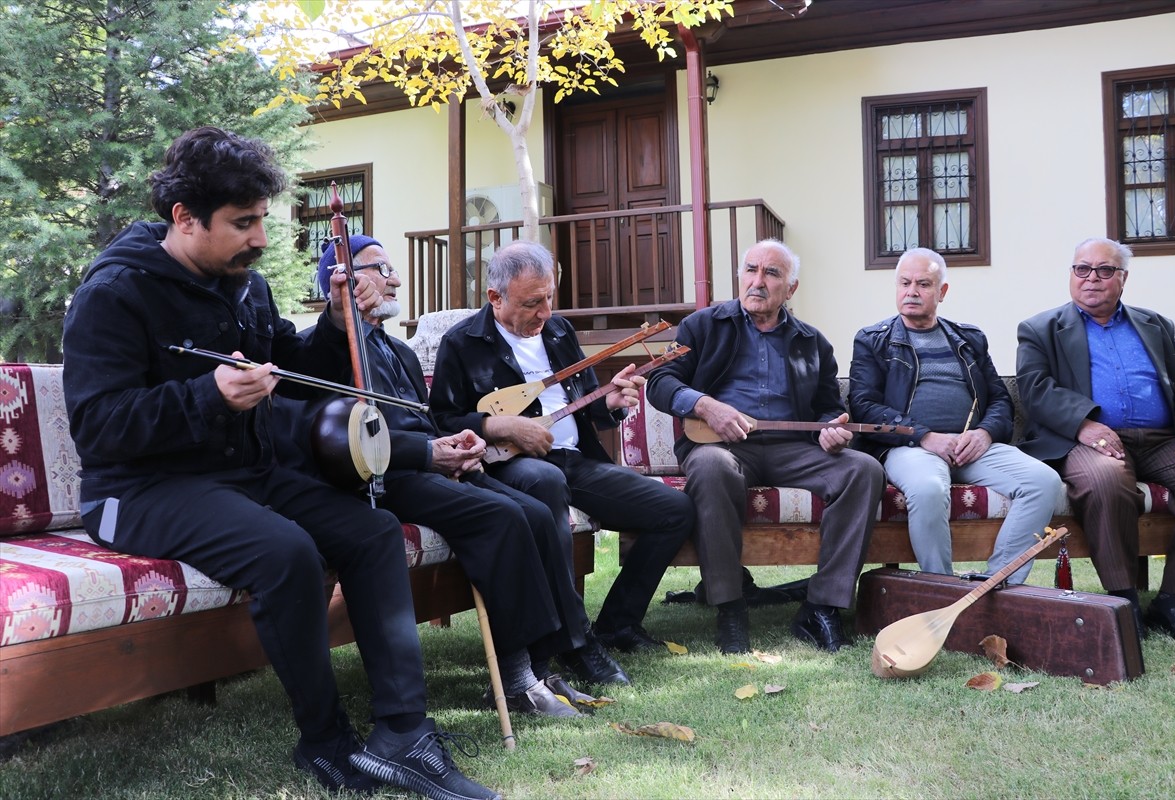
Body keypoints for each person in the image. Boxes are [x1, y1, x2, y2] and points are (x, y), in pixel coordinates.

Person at [61, 127, 498, 798]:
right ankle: (326, 742)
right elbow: (98, 427)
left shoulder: (245, 284)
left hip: (243, 475)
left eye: (262, 218)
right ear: (184, 217)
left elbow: (288, 375)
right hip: (139, 489)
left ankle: (403, 735)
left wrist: (333, 326)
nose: (261, 237)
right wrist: (206, 395)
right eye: (244, 222)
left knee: (372, 531)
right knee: (286, 552)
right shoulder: (114, 294)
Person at [273, 233, 624, 712]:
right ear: (343, 284)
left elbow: (431, 420)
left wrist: (463, 443)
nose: (395, 278)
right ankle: (517, 682)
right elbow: (352, 436)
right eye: (381, 269)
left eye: (392, 267)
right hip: (388, 478)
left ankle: (542, 668)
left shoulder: (398, 352)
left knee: (539, 513)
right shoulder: (331, 349)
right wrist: (428, 452)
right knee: (502, 517)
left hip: (435, 466)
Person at [428, 240, 695, 659]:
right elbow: (441, 420)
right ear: (495, 298)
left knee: (674, 510)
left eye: (549, 297)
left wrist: (611, 402)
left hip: (575, 459)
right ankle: (575, 642)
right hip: (510, 467)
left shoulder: (558, 331)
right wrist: (504, 425)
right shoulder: (463, 343)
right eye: (533, 303)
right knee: (546, 479)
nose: (546, 313)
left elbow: (588, 402)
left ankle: (618, 623)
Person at [645, 238, 885, 654]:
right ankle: (730, 605)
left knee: (863, 469)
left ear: (790, 289)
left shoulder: (813, 341)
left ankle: (822, 607)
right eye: (751, 270)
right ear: (739, 276)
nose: (758, 281)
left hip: (793, 449)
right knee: (712, 466)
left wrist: (832, 430)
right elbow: (661, 382)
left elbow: (828, 408)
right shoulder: (701, 326)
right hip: (719, 444)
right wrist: (705, 404)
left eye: (771, 273)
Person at [1016, 236, 1175, 640]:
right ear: (1071, 274)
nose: (1092, 278)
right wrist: (1084, 423)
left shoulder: (1155, 324)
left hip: (1162, 439)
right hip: (1087, 441)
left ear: (1123, 278)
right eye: (1082, 268)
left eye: (1104, 270)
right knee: (1105, 482)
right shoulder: (1040, 329)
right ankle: (1123, 601)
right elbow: (1034, 388)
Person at [848, 247, 1061, 583]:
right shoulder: (873, 340)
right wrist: (924, 436)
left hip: (972, 446)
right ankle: (943, 588)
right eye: (904, 283)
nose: (912, 292)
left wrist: (985, 433)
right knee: (930, 489)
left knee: (1044, 482)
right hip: (911, 447)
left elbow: (1000, 401)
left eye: (923, 284)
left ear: (942, 291)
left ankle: (999, 583)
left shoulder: (969, 339)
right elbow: (864, 405)